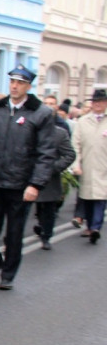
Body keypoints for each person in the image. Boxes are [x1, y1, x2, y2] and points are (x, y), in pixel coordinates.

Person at [0, 66, 56, 290]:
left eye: (20, 82)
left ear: (28, 86)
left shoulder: (41, 113)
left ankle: (8, 274)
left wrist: (36, 184)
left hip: (21, 183)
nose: (15, 86)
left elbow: (45, 153)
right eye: (12, 82)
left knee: (15, 232)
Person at [71, 88, 107, 244]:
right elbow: (75, 145)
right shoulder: (83, 121)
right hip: (87, 166)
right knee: (87, 198)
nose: (98, 104)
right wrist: (76, 164)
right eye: (95, 102)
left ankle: (95, 228)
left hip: (104, 166)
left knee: (101, 198)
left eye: (101, 102)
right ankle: (90, 224)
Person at [33, 125, 76, 250]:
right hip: (28, 175)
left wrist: (54, 167)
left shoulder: (59, 133)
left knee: (48, 207)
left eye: (51, 104)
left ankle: (46, 235)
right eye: (45, 103)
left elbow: (70, 155)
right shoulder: (29, 128)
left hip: (49, 178)